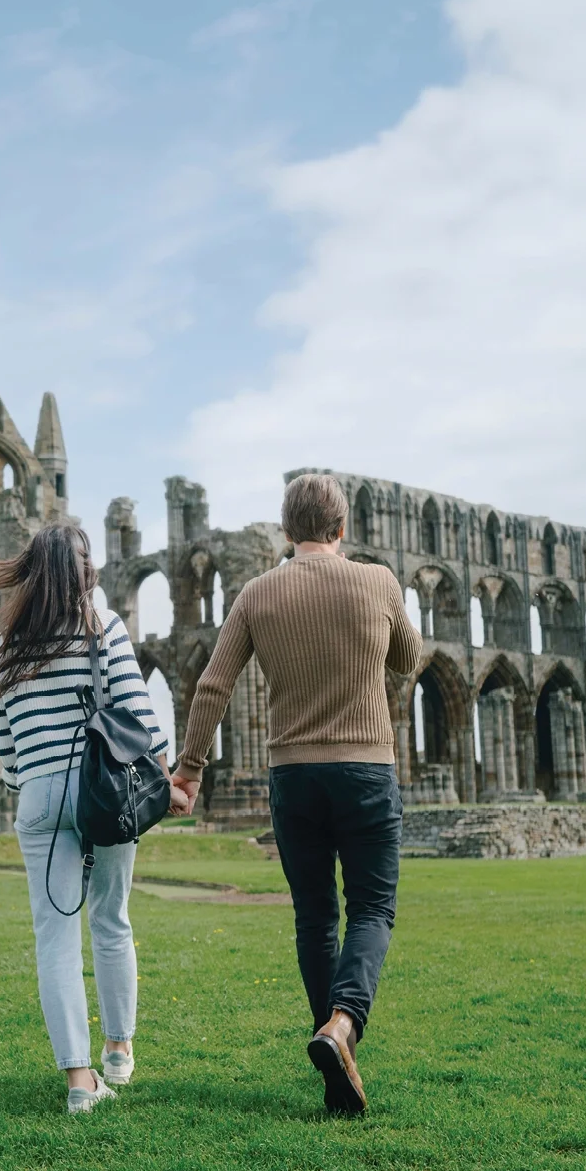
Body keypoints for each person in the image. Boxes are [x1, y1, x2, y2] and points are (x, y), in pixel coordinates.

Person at [168, 473, 420, 1115]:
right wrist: (386, 612)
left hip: (293, 776)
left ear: (286, 530)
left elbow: (213, 684)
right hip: (366, 769)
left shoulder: (257, 592)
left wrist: (190, 769)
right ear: (342, 527)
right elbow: (407, 659)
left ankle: (335, 1053)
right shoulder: (377, 581)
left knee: (314, 916)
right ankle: (343, 1025)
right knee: (372, 909)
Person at [0, 523, 186, 1114]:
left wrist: (30, 789)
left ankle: (79, 1080)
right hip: (103, 791)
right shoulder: (102, 627)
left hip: (38, 796)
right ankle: (118, 1050)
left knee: (55, 937)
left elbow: (6, 743)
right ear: (79, 570)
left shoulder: (3, 645)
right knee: (111, 918)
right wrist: (166, 783)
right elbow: (137, 712)